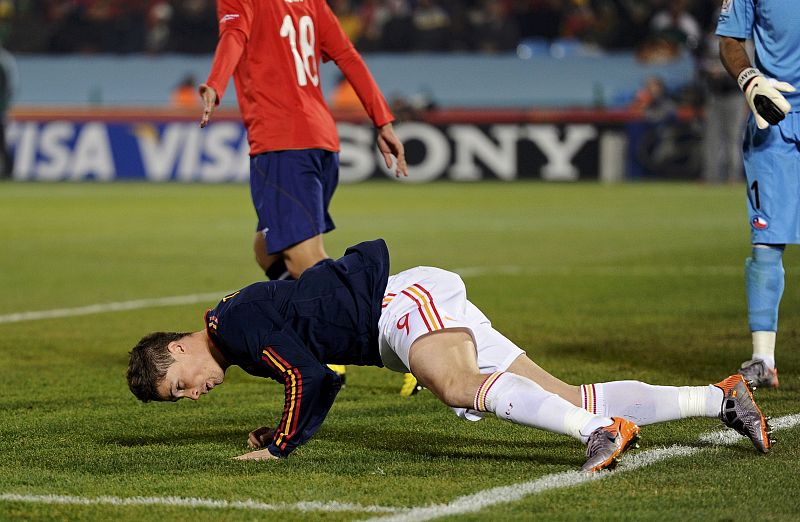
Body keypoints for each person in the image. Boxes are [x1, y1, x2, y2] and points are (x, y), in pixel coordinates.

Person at [127, 239, 773, 472]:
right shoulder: (238, 329)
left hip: (399, 304)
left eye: (178, 384)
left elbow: (309, 375)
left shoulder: (233, 327)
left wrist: (279, 446)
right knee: (565, 393)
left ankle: (601, 433)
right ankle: (719, 397)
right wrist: (283, 429)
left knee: (459, 386)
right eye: (179, 399)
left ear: (179, 348)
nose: (191, 395)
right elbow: (315, 377)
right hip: (406, 307)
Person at [197, 0, 411, 392]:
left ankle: (404, 338)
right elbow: (347, 55)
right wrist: (382, 119)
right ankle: (323, 335)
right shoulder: (310, 2)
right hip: (319, 139)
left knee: (306, 259)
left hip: (282, 142)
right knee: (268, 248)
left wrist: (216, 82)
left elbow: (233, 35)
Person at [717, 0, 799, 388]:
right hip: (776, 119)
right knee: (766, 240)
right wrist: (750, 79)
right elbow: (730, 39)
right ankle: (763, 360)